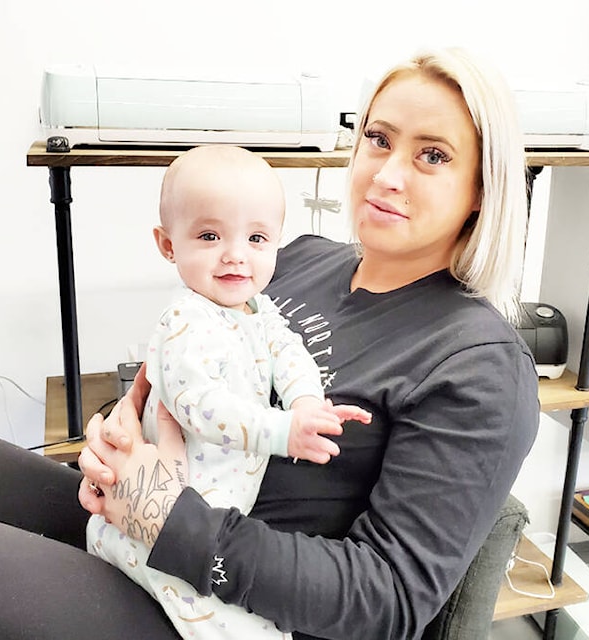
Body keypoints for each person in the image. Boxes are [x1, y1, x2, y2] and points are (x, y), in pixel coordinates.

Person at [0, 46, 539, 640]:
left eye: (432, 156)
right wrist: (120, 430)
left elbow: (388, 600)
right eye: (379, 140)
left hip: (229, 612)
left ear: (482, 187)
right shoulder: (299, 257)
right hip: (147, 516)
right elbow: (182, 365)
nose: (389, 174)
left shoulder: (478, 366)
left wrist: (165, 518)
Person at [87, 144, 371, 639]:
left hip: (208, 519)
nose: (236, 254)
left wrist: (306, 402)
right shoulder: (185, 321)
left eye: (257, 237)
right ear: (168, 244)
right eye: (210, 235)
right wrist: (284, 432)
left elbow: (290, 354)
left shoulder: (259, 312)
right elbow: (200, 407)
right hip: (162, 513)